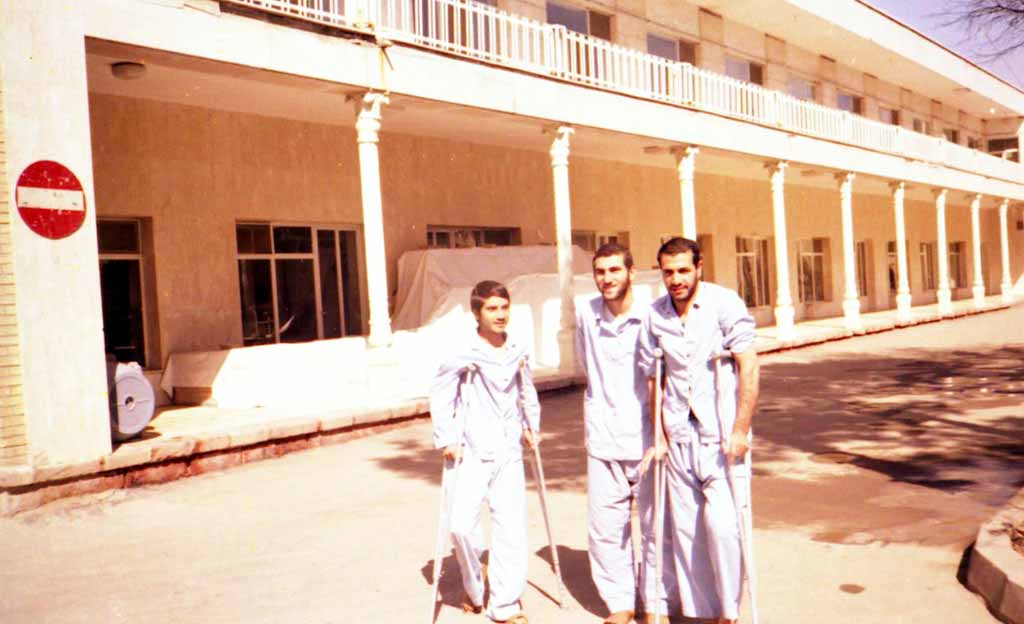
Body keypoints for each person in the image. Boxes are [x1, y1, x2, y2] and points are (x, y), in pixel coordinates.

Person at [638, 237, 760, 624]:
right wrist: (659, 435)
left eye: (683, 271)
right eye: (668, 272)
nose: (676, 279)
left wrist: (740, 429)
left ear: (699, 267)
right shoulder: (654, 315)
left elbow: (748, 366)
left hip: (720, 434)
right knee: (687, 530)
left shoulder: (724, 303)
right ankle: (703, 614)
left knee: (723, 526)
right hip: (678, 433)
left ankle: (729, 611)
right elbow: (654, 378)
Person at [575, 242, 678, 624]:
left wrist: (663, 434)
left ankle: (656, 605)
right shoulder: (586, 314)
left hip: (648, 439)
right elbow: (586, 364)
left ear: (632, 273)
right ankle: (620, 603)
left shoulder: (653, 316)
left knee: (656, 527)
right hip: (603, 436)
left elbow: (665, 378)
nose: (607, 278)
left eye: (615, 270)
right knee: (605, 528)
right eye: (600, 272)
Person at [430, 280, 541, 624]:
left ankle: (506, 605)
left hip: (508, 448)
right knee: (460, 525)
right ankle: (475, 584)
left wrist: (532, 426)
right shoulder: (463, 350)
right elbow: (442, 393)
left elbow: (527, 390)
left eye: (504, 307)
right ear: (477, 313)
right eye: (492, 309)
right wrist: (447, 438)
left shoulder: (518, 348)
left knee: (510, 527)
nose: (500, 315)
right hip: (471, 449)